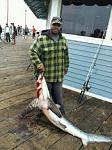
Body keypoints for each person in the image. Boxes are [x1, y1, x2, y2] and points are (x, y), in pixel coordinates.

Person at [19, 16, 69, 119]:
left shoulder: (63, 40)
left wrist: (66, 66)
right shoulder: (42, 39)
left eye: (58, 25)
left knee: (59, 100)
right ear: (51, 25)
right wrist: (38, 63)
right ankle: (42, 114)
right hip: (45, 79)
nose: (56, 26)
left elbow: (66, 55)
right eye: (54, 24)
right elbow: (32, 52)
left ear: (60, 27)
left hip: (58, 76)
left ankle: (62, 118)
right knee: (44, 100)